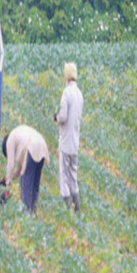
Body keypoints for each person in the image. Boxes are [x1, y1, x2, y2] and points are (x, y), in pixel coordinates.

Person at [0, 125, 50, 214]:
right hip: (42, 145)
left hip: (32, 147)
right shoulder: (18, 135)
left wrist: (7, 186)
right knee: (35, 183)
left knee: (26, 182)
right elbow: (19, 170)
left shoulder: (10, 140)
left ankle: (26, 214)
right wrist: (9, 177)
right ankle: (33, 212)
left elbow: (10, 165)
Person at [55, 61, 84, 212]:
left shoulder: (66, 93)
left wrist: (57, 117)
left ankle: (66, 207)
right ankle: (77, 207)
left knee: (63, 175)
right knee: (73, 174)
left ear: (66, 77)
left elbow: (63, 116)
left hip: (66, 142)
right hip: (75, 142)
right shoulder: (79, 94)